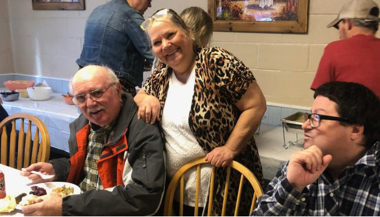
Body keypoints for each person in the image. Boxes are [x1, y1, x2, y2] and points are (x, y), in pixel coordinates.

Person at [135, 9, 266, 215]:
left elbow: (256, 104)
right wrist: (147, 98)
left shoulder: (215, 61)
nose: (166, 45)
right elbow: (139, 97)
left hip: (222, 190)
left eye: (170, 35)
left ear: (187, 31)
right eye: (157, 42)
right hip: (177, 189)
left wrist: (230, 148)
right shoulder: (162, 71)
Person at [20, 65, 165, 216]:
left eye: (96, 93)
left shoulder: (141, 128)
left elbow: (144, 197)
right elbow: (89, 166)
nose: (89, 104)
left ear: (117, 90)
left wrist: (66, 206)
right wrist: (55, 169)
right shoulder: (84, 124)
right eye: (81, 97)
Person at [253, 81, 380, 216]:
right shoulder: (300, 164)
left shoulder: (374, 177)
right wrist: (292, 187)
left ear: (355, 130)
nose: (305, 125)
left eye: (317, 117)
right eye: (309, 116)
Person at [76, 0, 155, 96]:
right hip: (113, 89)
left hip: (84, 86)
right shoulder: (130, 16)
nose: (149, 5)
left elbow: (110, 55)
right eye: (149, 1)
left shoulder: (97, 11)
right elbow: (156, 55)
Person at [310, 0, 380, 98]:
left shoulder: (334, 49)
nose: (339, 32)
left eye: (338, 26)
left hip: (346, 113)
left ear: (347, 23)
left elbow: (321, 95)